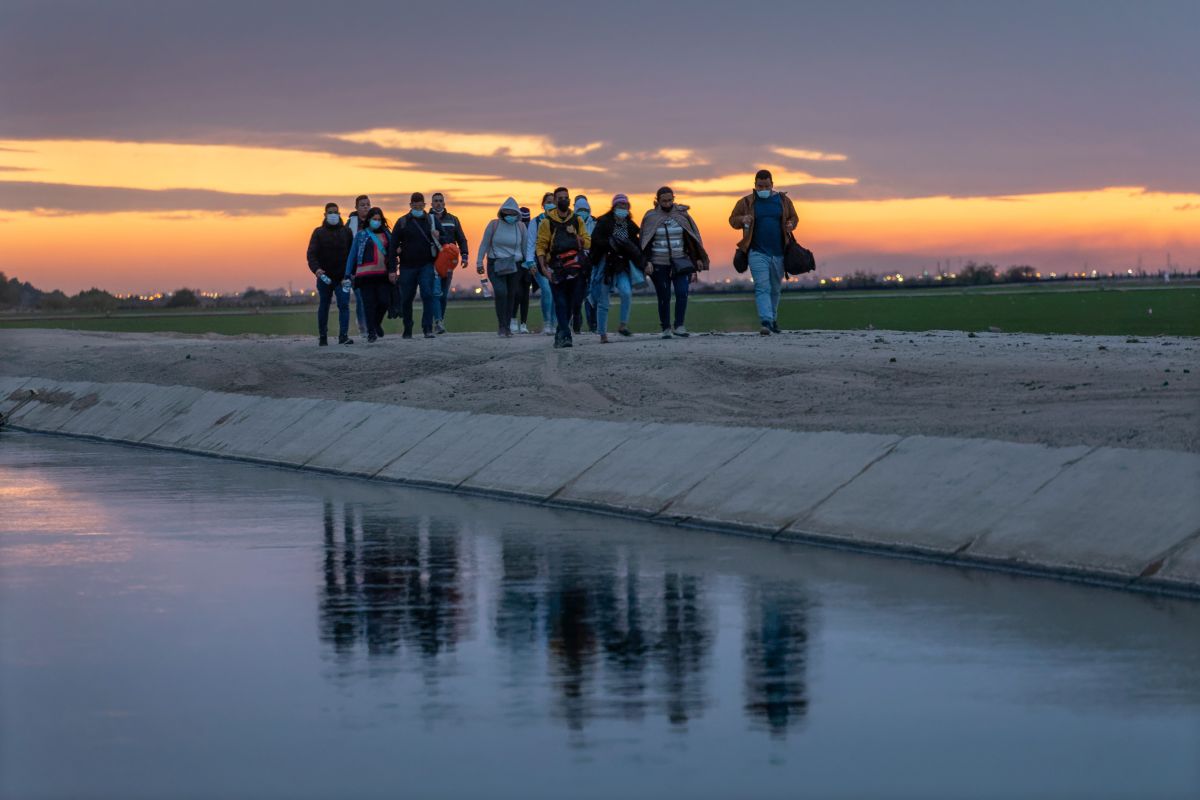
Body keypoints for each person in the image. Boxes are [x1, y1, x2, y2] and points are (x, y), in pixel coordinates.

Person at [729, 169, 799, 335]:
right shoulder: (746, 202)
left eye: (766, 186)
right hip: (756, 252)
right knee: (762, 286)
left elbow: (794, 218)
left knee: (775, 288)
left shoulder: (783, 200)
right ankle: (765, 321)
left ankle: (773, 319)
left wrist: (791, 224)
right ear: (755, 185)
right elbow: (732, 220)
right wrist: (742, 220)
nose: (763, 189)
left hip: (779, 252)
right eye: (760, 186)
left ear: (772, 184)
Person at [640, 186, 709, 338]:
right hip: (658, 263)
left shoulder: (682, 214)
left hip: (681, 262)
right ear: (657, 200)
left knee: (682, 292)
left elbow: (692, 238)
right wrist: (647, 262)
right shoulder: (650, 217)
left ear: (673, 199)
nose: (667, 203)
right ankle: (665, 328)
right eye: (663, 201)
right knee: (664, 296)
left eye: (670, 200)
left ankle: (679, 326)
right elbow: (644, 241)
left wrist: (697, 258)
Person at [535, 186, 591, 348]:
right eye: (560, 198)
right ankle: (566, 336)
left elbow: (587, 241)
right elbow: (541, 246)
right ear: (555, 200)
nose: (563, 201)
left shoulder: (577, 220)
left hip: (576, 267)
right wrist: (543, 268)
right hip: (556, 268)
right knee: (560, 302)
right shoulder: (546, 222)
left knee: (573, 303)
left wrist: (575, 235)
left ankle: (561, 330)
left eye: (566, 198)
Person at [588, 194, 643, 343]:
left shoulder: (630, 226)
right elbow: (596, 241)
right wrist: (610, 243)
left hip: (622, 265)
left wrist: (643, 263)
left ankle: (623, 325)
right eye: (619, 206)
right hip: (605, 266)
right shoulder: (603, 222)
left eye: (625, 206)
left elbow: (636, 247)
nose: (622, 208)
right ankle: (602, 334)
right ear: (614, 207)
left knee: (626, 292)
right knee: (603, 301)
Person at [386, 192, 441, 339]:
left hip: (426, 265)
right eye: (415, 205)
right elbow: (392, 247)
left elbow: (446, 240)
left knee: (427, 295)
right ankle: (408, 327)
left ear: (424, 205)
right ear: (410, 205)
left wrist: (438, 236)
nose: (418, 207)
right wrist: (392, 269)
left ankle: (427, 328)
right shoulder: (402, 222)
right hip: (407, 267)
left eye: (420, 205)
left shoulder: (432, 220)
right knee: (406, 298)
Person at [476, 197, 528, 337]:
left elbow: (525, 247)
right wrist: (479, 262)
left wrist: (529, 262)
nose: (510, 215)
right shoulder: (494, 225)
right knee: (501, 292)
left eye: (513, 213)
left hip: (514, 265)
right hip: (496, 264)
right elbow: (484, 244)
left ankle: (507, 327)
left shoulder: (521, 227)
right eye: (507, 212)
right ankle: (502, 326)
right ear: (502, 212)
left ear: (517, 213)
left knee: (511, 295)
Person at [306, 202, 355, 346]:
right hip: (324, 277)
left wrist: (351, 273)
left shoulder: (347, 232)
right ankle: (323, 337)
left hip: (342, 278)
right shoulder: (318, 232)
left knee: (344, 305)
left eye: (336, 212)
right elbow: (311, 254)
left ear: (339, 214)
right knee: (324, 305)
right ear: (325, 214)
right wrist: (316, 270)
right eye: (330, 212)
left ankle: (343, 336)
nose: (333, 215)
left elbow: (352, 254)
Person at [345, 206, 393, 342]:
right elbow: (352, 255)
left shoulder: (387, 235)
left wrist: (393, 270)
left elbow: (392, 252)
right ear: (369, 220)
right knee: (368, 304)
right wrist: (348, 273)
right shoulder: (361, 235)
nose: (376, 221)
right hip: (364, 276)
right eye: (374, 219)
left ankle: (377, 323)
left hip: (382, 274)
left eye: (378, 219)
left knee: (384, 302)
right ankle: (371, 332)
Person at [429, 192, 469, 335]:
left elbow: (462, 239)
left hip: (448, 263)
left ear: (444, 203)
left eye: (440, 201)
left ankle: (441, 320)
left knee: (444, 295)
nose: (438, 203)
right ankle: (437, 321)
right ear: (431, 204)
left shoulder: (453, 219)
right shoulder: (427, 219)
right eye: (435, 201)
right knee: (436, 293)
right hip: (432, 262)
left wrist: (465, 255)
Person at [524, 192, 557, 335]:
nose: (550, 204)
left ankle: (556, 324)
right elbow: (530, 243)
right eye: (548, 202)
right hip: (538, 263)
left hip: (556, 263)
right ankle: (547, 323)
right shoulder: (535, 222)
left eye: (553, 202)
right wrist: (530, 262)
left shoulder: (560, 221)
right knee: (547, 290)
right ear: (543, 205)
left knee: (556, 293)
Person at [346, 194, 373, 337]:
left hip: (373, 267)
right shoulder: (351, 224)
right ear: (356, 207)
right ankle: (363, 327)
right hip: (356, 268)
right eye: (362, 205)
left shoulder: (375, 221)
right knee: (361, 298)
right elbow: (345, 245)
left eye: (368, 204)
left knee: (372, 298)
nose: (366, 207)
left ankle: (371, 325)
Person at [572, 195, 596, 333]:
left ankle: (593, 325)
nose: (583, 212)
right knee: (577, 295)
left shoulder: (595, 223)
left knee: (592, 296)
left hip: (592, 263)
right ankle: (577, 323)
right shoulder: (570, 224)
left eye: (585, 209)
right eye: (580, 209)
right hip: (576, 264)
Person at [509, 206, 533, 333]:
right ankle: (513, 319)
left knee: (525, 296)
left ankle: (523, 323)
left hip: (528, 264)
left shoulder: (531, 228)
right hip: (516, 264)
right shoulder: (514, 228)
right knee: (517, 293)